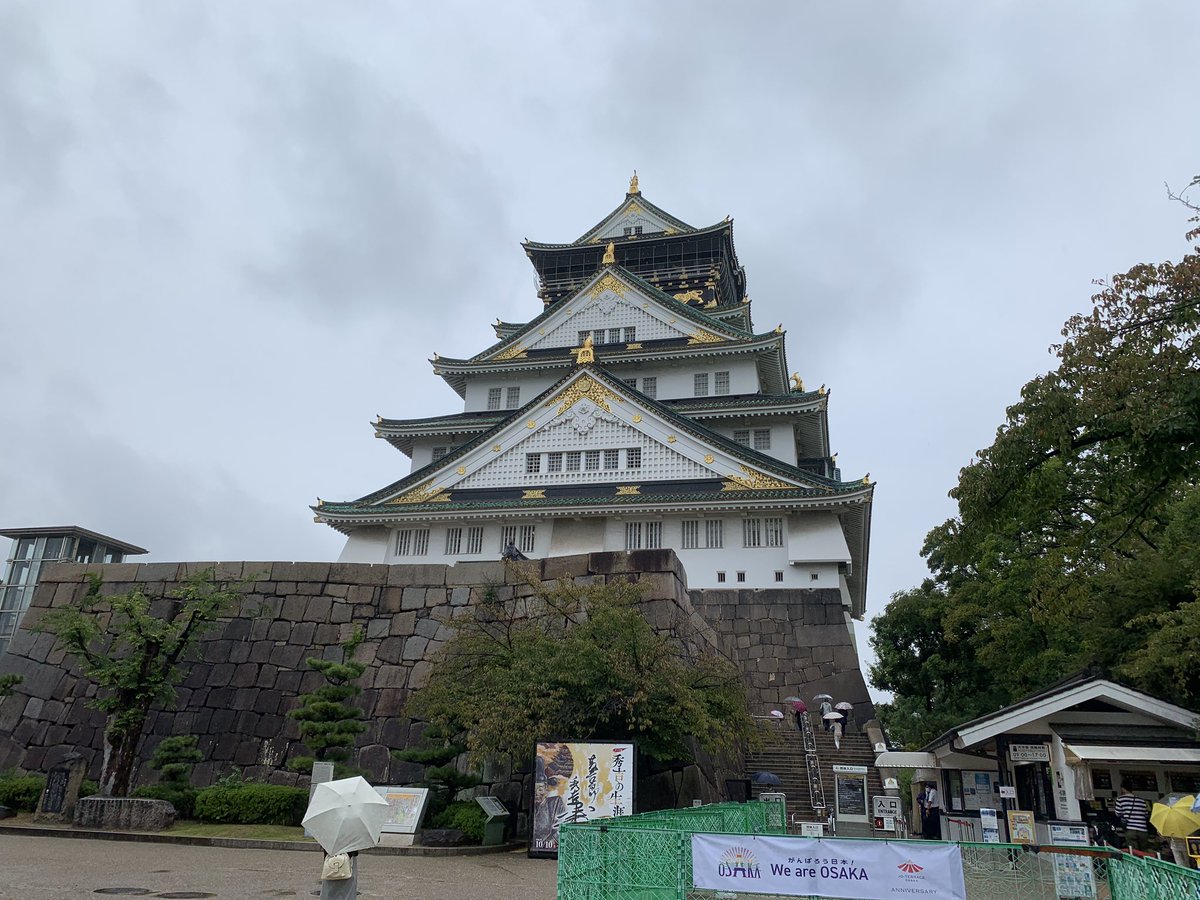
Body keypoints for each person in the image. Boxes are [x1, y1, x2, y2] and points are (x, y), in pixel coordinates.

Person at [1114, 785, 1151, 851]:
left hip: (1130, 830)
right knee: (1144, 851)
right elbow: (1146, 814)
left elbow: (1118, 813)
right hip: (1143, 830)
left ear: (1123, 789)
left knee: (1133, 852)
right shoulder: (1142, 801)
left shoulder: (1120, 799)